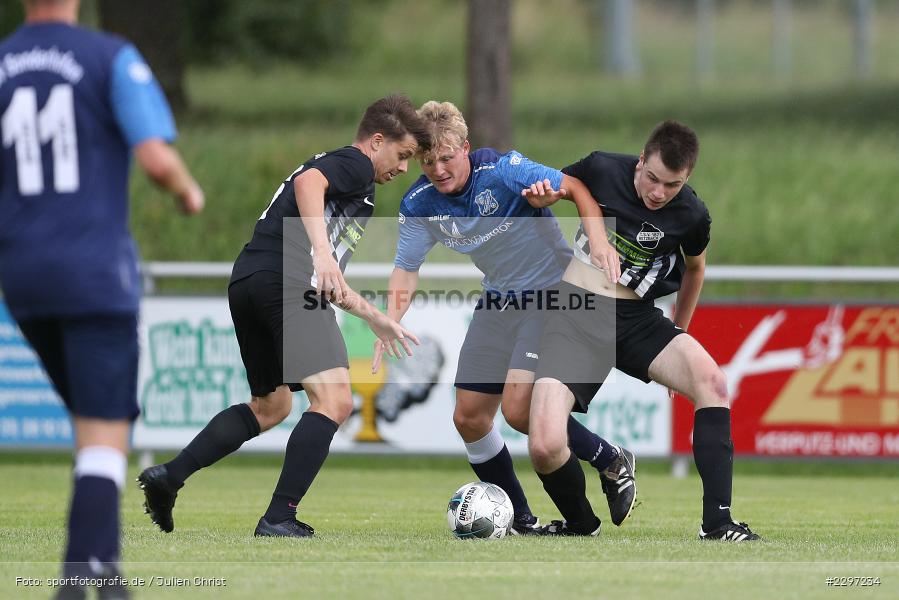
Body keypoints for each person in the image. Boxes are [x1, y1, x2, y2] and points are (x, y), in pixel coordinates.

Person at [138, 94, 430, 539]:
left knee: (271, 406)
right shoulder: (355, 165)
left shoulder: (349, 181)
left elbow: (328, 279)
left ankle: (169, 477)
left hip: (250, 280)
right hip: (286, 281)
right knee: (335, 401)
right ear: (376, 141)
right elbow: (309, 184)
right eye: (402, 154)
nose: (404, 168)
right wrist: (321, 252)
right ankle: (279, 517)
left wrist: (373, 317)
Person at [0, 0, 205, 597]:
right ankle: (76, 581)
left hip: (22, 277)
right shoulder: (108, 56)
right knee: (104, 432)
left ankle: (105, 575)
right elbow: (155, 158)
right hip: (93, 274)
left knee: (92, 429)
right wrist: (187, 192)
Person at [372, 101, 637, 535]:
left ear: (466, 148)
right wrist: (389, 319)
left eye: (446, 158)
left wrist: (599, 243)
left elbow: (575, 187)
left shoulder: (503, 170)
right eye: (427, 162)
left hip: (551, 295)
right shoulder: (419, 204)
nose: (438, 169)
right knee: (469, 417)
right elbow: (406, 268)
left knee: (518, 409)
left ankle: (609, 460)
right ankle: (521, 520)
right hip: (498, 301)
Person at [525, 120, 761, 540]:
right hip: (575, 315)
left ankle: (718, 524)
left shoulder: (691, 214)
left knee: (713, 382)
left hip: (636, 319)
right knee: (543, 444)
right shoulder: (601, 168)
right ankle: (581, 524)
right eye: (652, 178)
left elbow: (695, 268)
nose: (658, 192)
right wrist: (543, 194)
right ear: (640, 160)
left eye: (672, 185)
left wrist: (679, 331)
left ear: (686, 178)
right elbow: (558, 187)